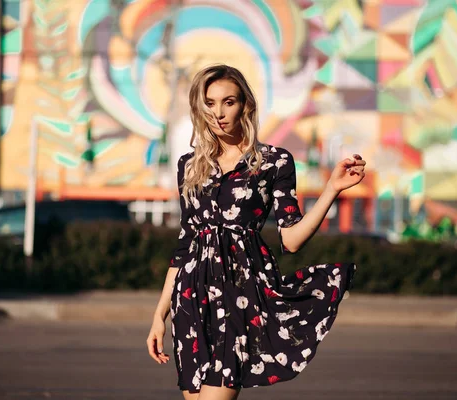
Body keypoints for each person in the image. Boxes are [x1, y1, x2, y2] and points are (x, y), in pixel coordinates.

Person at [147, 64, 366, 400]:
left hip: (239, 294)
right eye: (210, 103)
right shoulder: (189, 166)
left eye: (228, 102)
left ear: (245, 105)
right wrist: (160, 314)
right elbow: (185, 242)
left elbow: (290, 239)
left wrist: (332, 189)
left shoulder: (273, 161)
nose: (218, 113)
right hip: (191, 299)